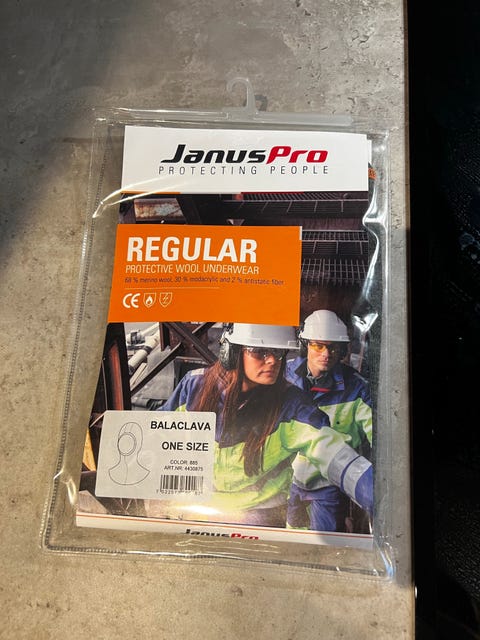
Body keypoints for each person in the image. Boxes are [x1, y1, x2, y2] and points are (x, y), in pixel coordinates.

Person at [159, 322, 372, 529]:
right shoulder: (194, 388)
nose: (272, 360)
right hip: (196, 511)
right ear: (231, 353)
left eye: (278, 352)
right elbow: (155, 438)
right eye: (259, 352)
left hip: (261, 516)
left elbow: (336, 455)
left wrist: (379, 497)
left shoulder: (292, 406)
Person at [285, 310, 373, 532]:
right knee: (289, 538)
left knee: (324, 543)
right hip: (286, 482)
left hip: (328, 486)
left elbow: (380, 437)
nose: (326, 353)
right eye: (318, 346)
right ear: (305, 345)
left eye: (333, 347)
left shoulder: (357, 388)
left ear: (341, 350)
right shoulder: (283, 376)